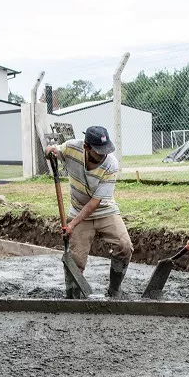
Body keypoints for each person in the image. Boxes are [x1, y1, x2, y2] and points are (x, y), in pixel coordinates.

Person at [44, 126, 132, 299]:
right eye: (99, 152)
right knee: (75, 259)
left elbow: (94, 203)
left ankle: (115, 289)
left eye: (106, 150)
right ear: (86, 147)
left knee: (125, 246)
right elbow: (55, 151)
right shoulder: (71, 148)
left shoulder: (111, 164)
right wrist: (50, 151)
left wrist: (71, 225)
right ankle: (74, 296)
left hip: (105, 210)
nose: (103, 155)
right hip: (78, 210)